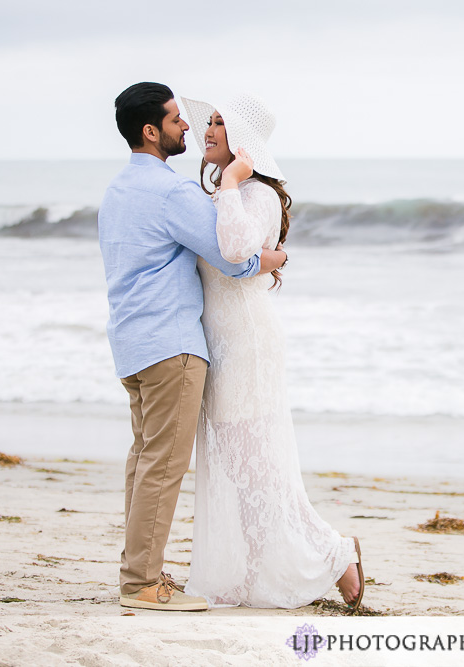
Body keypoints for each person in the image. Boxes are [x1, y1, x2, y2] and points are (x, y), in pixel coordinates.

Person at [98, 82, 287, 611]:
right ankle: (141, 583)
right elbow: (230, 257)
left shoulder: (118, 190)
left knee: (143, 461)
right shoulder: (172, 192)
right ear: (151, 131)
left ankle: (138, 574)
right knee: (161, 465)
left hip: (131, 342)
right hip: (173, 346)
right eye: (177, 119)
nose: (189, 127)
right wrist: (268, 262)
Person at [179, 92, 365, 612]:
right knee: (242, 470)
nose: (209, 130)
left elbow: (238, 252)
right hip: (223, 339)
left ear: (244, 143)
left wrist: (234, 182)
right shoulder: (223, 190)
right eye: (208, 122)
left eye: (220, 124)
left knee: (257, 468)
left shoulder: (251, 192)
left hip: (247, 342)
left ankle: (336, 553)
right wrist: (226, 188)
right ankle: (257, 572)